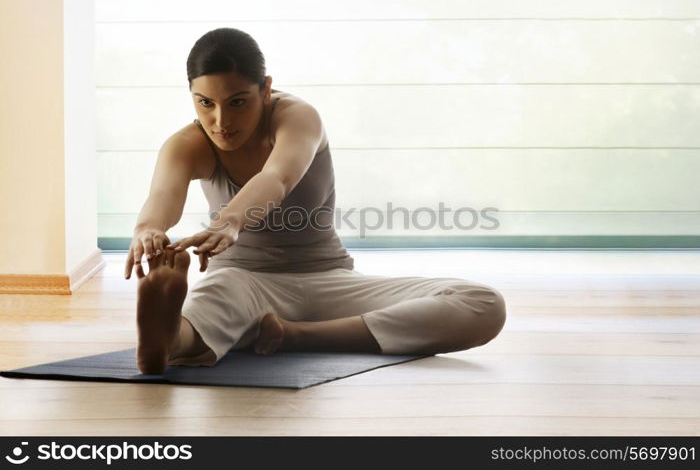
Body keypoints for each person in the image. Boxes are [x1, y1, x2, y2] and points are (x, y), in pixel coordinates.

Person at [124, 27, 507, 375]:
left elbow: (278, 176)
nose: (221, 120)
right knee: (208, 307)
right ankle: (168, 339)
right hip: (242, 281)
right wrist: (148, 230)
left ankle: (291, 334)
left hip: (330, 280)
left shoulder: (298, 117)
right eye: (205, 103)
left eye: (237, 102)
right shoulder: (186, 144)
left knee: (482, 303)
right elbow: (163, 196)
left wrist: (229, 221)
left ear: (266, 88)